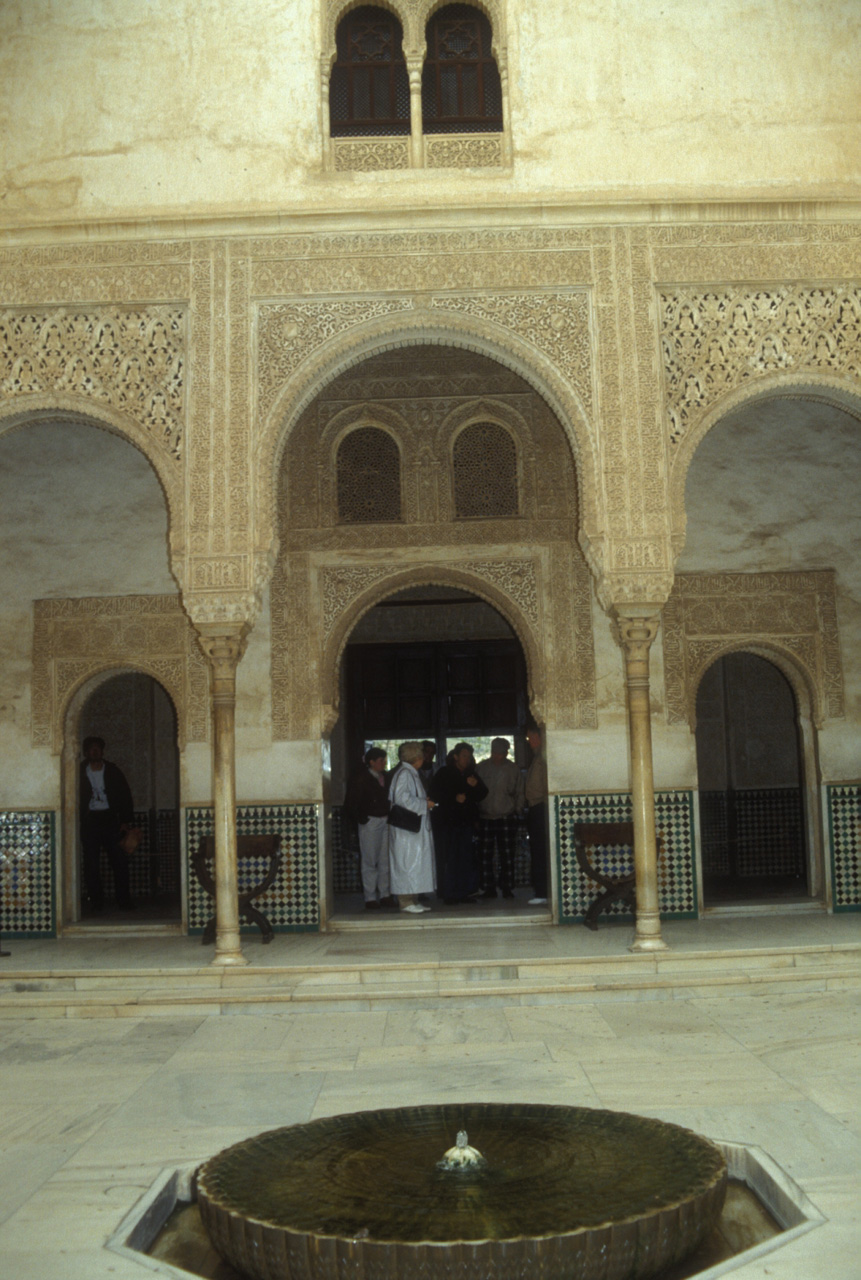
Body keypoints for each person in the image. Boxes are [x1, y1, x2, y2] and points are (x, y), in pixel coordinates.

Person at [79, 736, 135, 911]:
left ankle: (124, 901)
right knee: (91, 864)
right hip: (91, 821)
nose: (95, 751)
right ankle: (97, 903)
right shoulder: (79, 771)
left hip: (111, 820)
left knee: (119, 861)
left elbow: (125, 795)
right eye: (91, 749)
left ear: (102, 751)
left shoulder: (112, 771)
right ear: (86, 752)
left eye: (98, 748)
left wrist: (125, 821)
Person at [429, 742, 488, 903]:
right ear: (455, 757)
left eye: (469, 757)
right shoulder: (444, 773)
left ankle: (466, 892)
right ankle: (449, 893)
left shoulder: (471, 774)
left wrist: (475, 786)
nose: (467, 759)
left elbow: (483, 793)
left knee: (466, 858)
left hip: (466, 823)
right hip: (448, 823)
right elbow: (434, 794)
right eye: (464, 756)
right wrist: (453, 798)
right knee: (450, 858)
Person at [344, 747, 397, 910]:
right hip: (371, 821)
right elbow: (351, 804)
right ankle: (370, 897)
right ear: (371, 762)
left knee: (384, 860)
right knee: (369, 860)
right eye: (381, 760)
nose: (384, 763)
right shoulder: (361, 779)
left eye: (384, 760)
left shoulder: (386, 777)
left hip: (385, 820)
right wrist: (362, 819)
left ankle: (385, 894)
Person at [387, 741, 437, 913]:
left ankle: (413, 900)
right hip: (406, 831)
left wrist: (424, 802)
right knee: (406, 864)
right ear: (417, 757)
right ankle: (406, 902)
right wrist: (424, 804)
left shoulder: (410, 772)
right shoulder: (404, 774)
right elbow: (402, 799)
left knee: (414, 865)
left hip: (413, 830)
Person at [475, 737, 525, 899]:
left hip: (506, 817)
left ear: (506, 752)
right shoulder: (481, 768)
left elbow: (519, 792)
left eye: (501, 753)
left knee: (507, 855)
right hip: (485, 817)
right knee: (485, 855)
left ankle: (507, 888)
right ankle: (488, 889)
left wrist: (517, 811)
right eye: (495, 753)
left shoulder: (513, 769)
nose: (498, 756)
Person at [524, 727, 549, 905]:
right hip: (535, 808)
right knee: (537, 849)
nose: (529, 741)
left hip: (542, 807)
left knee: (541, 850)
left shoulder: (544, 756)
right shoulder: (537, 756)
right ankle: (540, 890)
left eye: (531, 737)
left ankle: (543, 892)